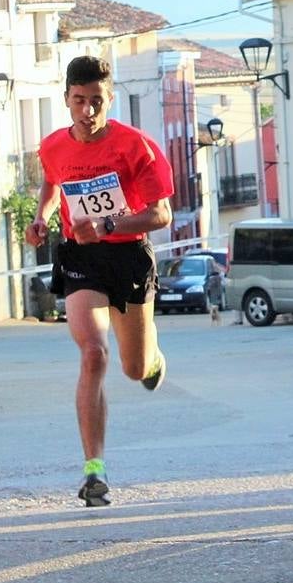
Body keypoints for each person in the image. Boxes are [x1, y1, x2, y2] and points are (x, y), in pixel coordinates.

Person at [25, 55, 174, 507]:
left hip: (127, 256)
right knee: (93, 354)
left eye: (96, 102)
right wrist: (41, 218)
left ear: (110, 99)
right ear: (66, 99)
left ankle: (151, 360)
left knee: (132, 368)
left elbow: (160, 214)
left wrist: (111, 225)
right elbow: (53, 183)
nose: (87, 111)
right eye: (78, 101)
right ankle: (95, 471)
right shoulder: (53, 146)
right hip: (80, 258)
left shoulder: (137, 147)